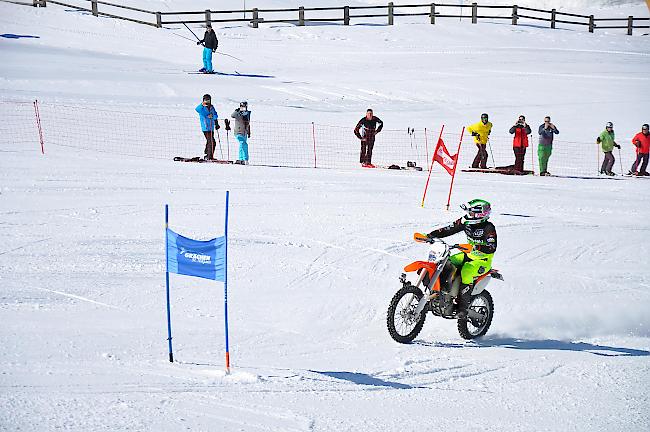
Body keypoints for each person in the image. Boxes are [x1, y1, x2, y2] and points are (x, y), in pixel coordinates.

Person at [426, 199, 497, 319]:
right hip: (468, 254)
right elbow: (449, 229)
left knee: (467, 271)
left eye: (471, 212)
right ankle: (441, 294)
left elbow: (492, 247)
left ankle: (462, 308)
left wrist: (476, 247)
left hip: (483, 260)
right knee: (445, 262)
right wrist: (431, 235)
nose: (469, 214)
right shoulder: (466, 221)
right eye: (468, 211)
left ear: (480, 214)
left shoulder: (488, 228)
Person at [195, 94, 219, 160]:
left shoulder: (212, 107)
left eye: (208, 100)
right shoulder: (201, 108)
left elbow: (215, 115)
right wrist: (202, 104)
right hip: (205, 128)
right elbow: (197, 109)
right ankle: (209, 156)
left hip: (211, 127)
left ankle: (207, 154)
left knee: (210, 141)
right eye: (205, 100)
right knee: (211, 141)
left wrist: (215, 121)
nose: (207, 101)